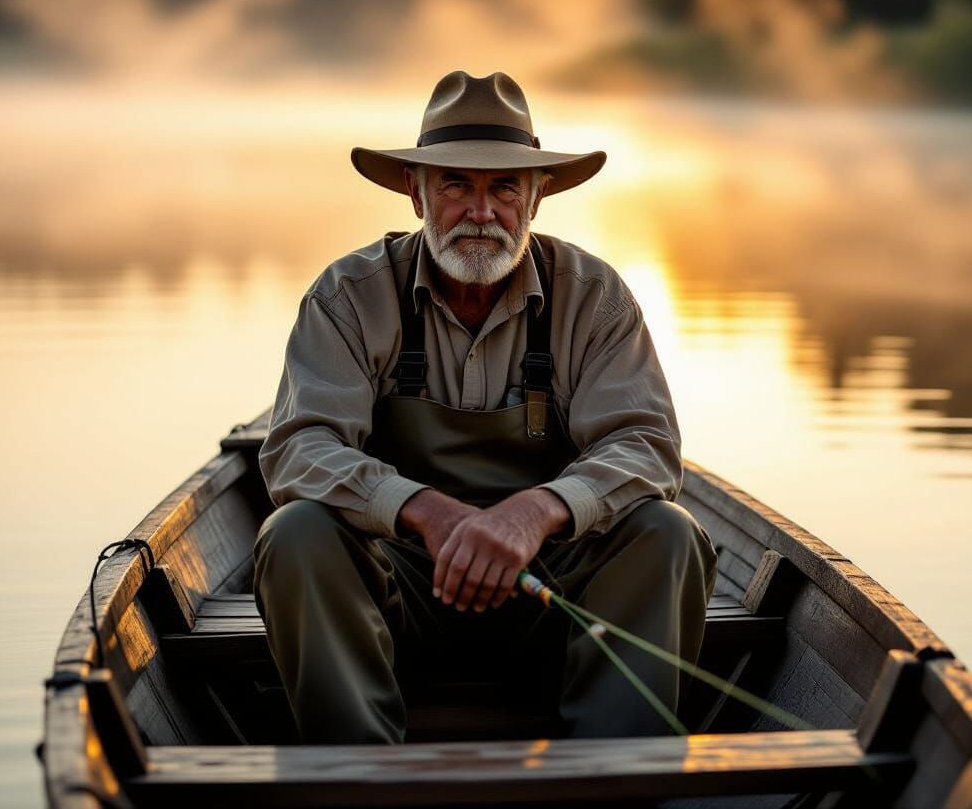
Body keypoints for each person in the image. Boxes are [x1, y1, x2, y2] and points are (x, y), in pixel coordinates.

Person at [254, 69, 717, 744]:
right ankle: (358, 785)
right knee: (294, 533)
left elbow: (645, 446)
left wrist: (535, 513)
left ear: (537, 196)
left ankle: (613, 786)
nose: (481, 212)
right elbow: (297, 451)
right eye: (455, 186)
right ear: (415, 192)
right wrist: (426, 512)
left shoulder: (595, 298)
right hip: (397, 602)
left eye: (503, 187)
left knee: (668, 533)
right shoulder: (348, 296)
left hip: (550, 602)